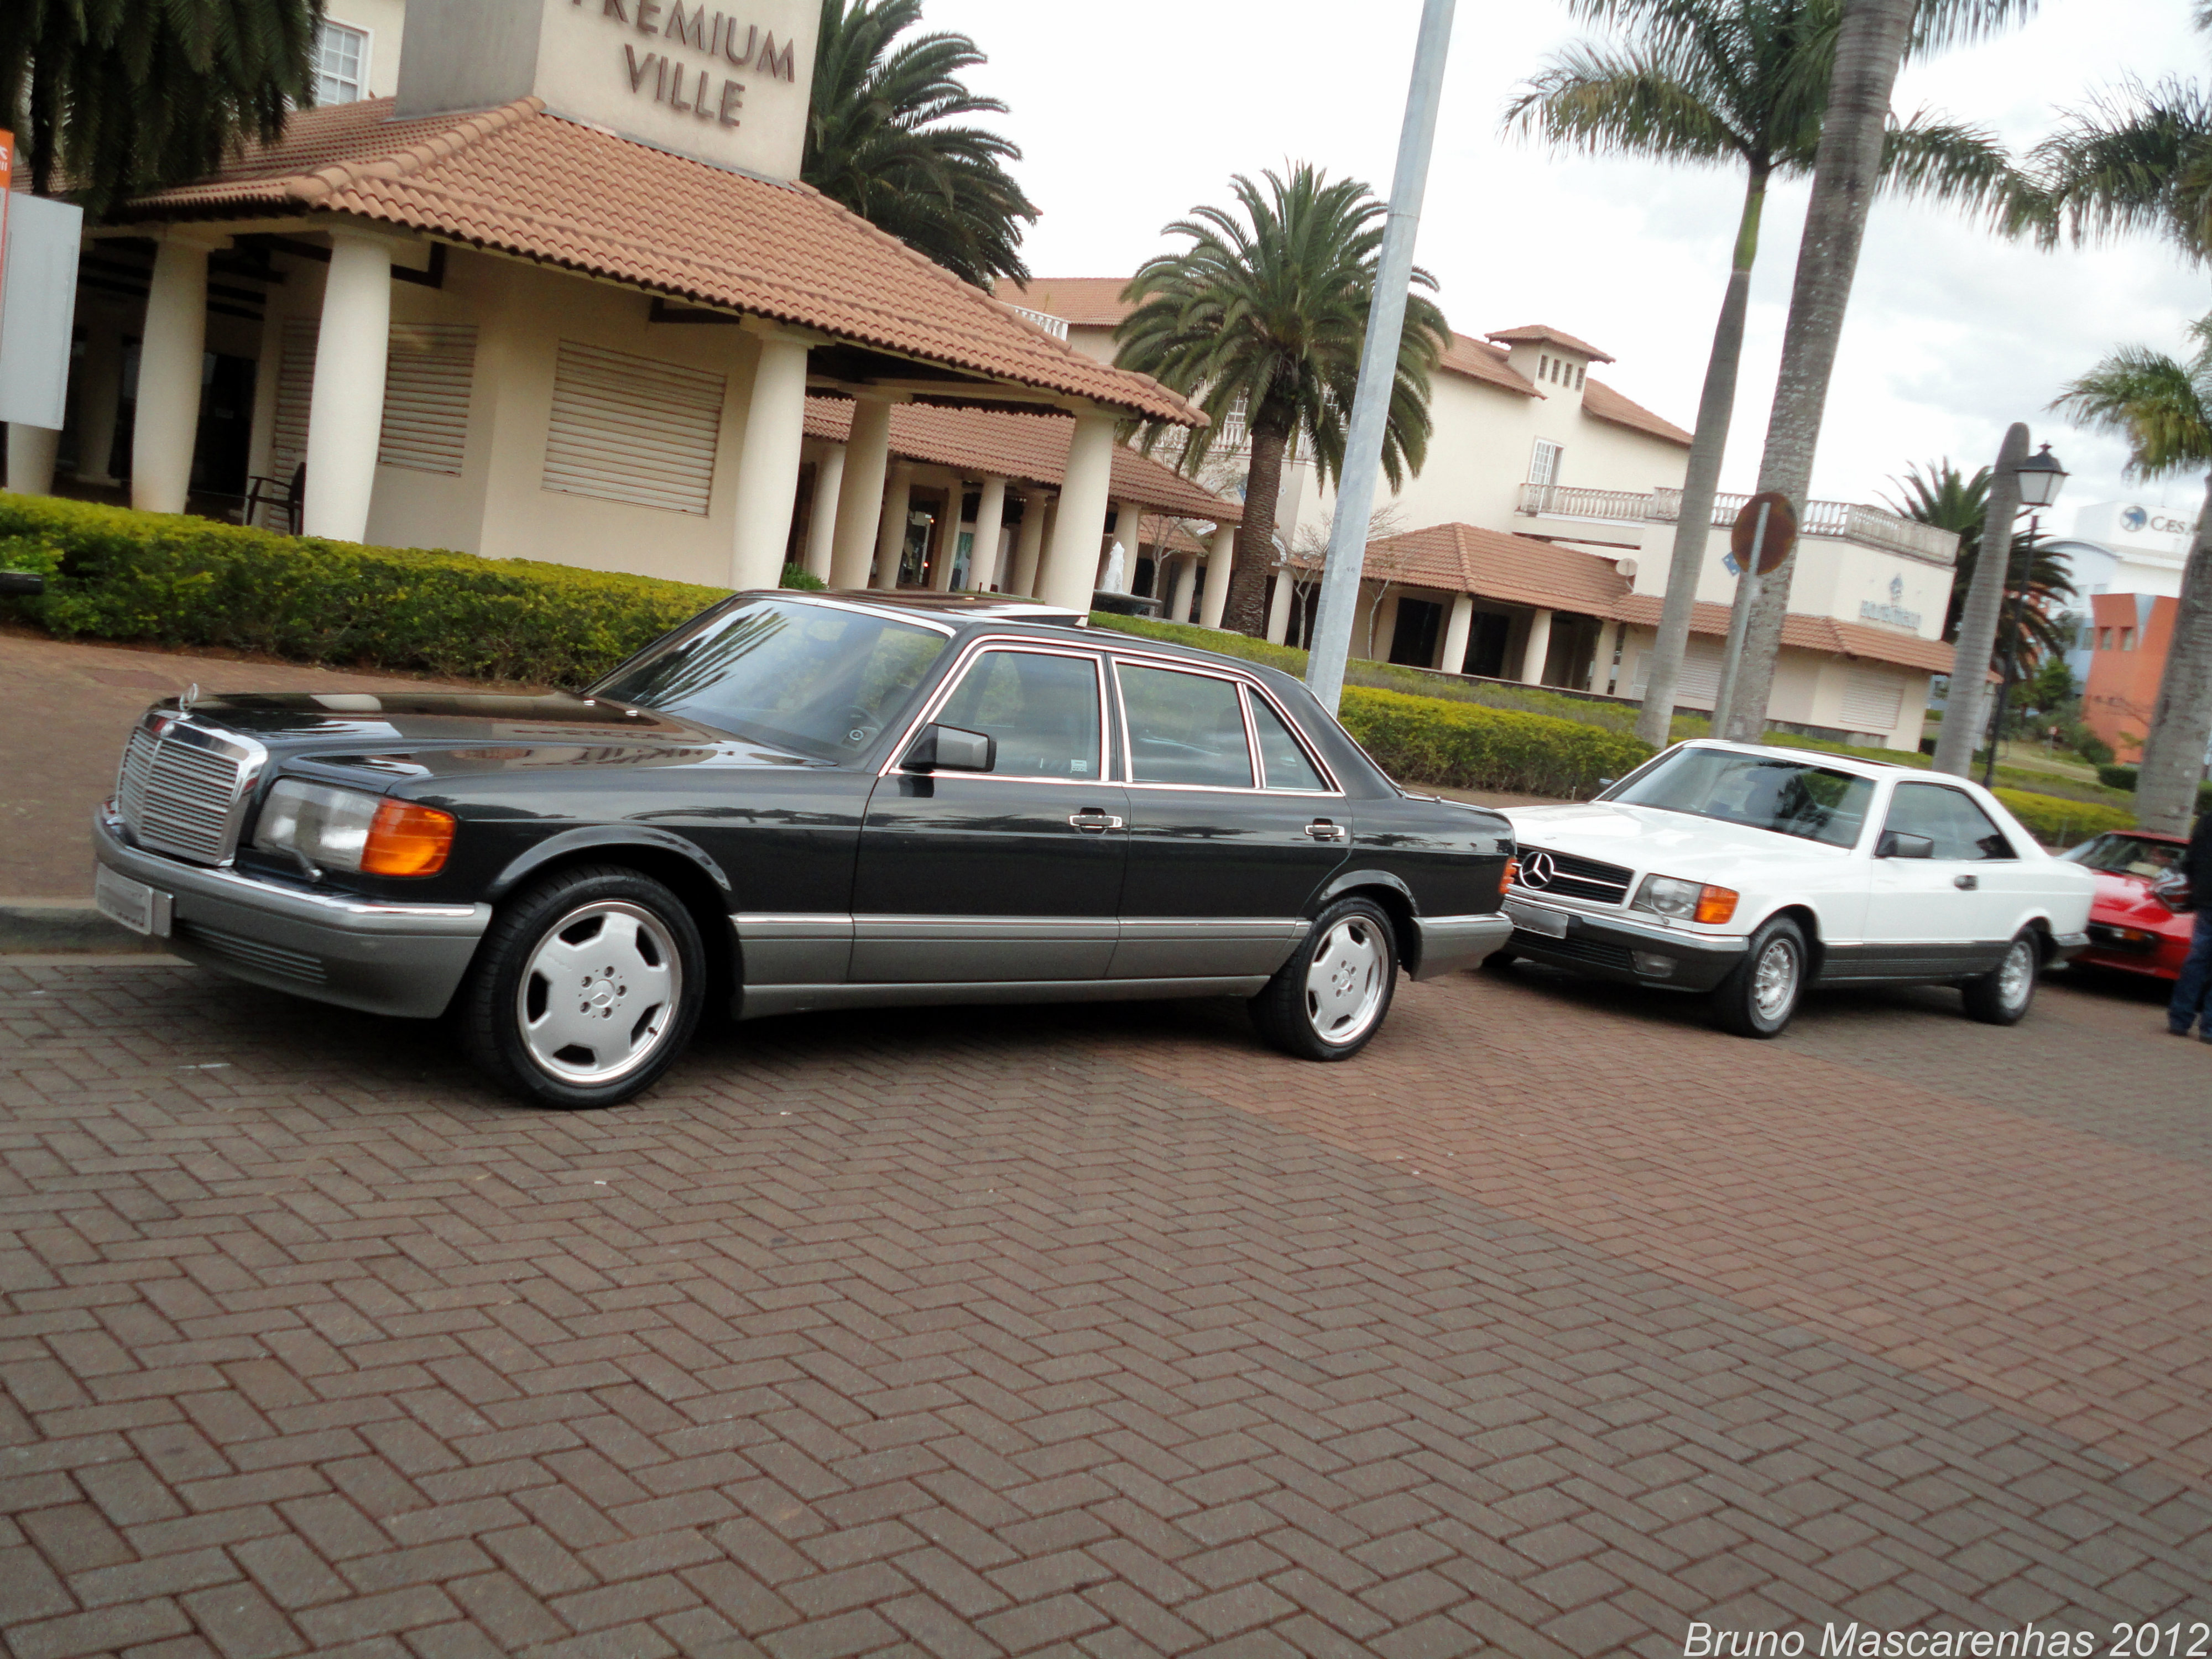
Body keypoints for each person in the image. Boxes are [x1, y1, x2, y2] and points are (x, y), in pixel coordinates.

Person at [2168, 806, 2212, 1041]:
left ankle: (2180, 1020)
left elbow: (2193, 855)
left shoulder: (2208, 819)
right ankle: (2210, 1029)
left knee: (2196, 961)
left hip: (2207, 899)